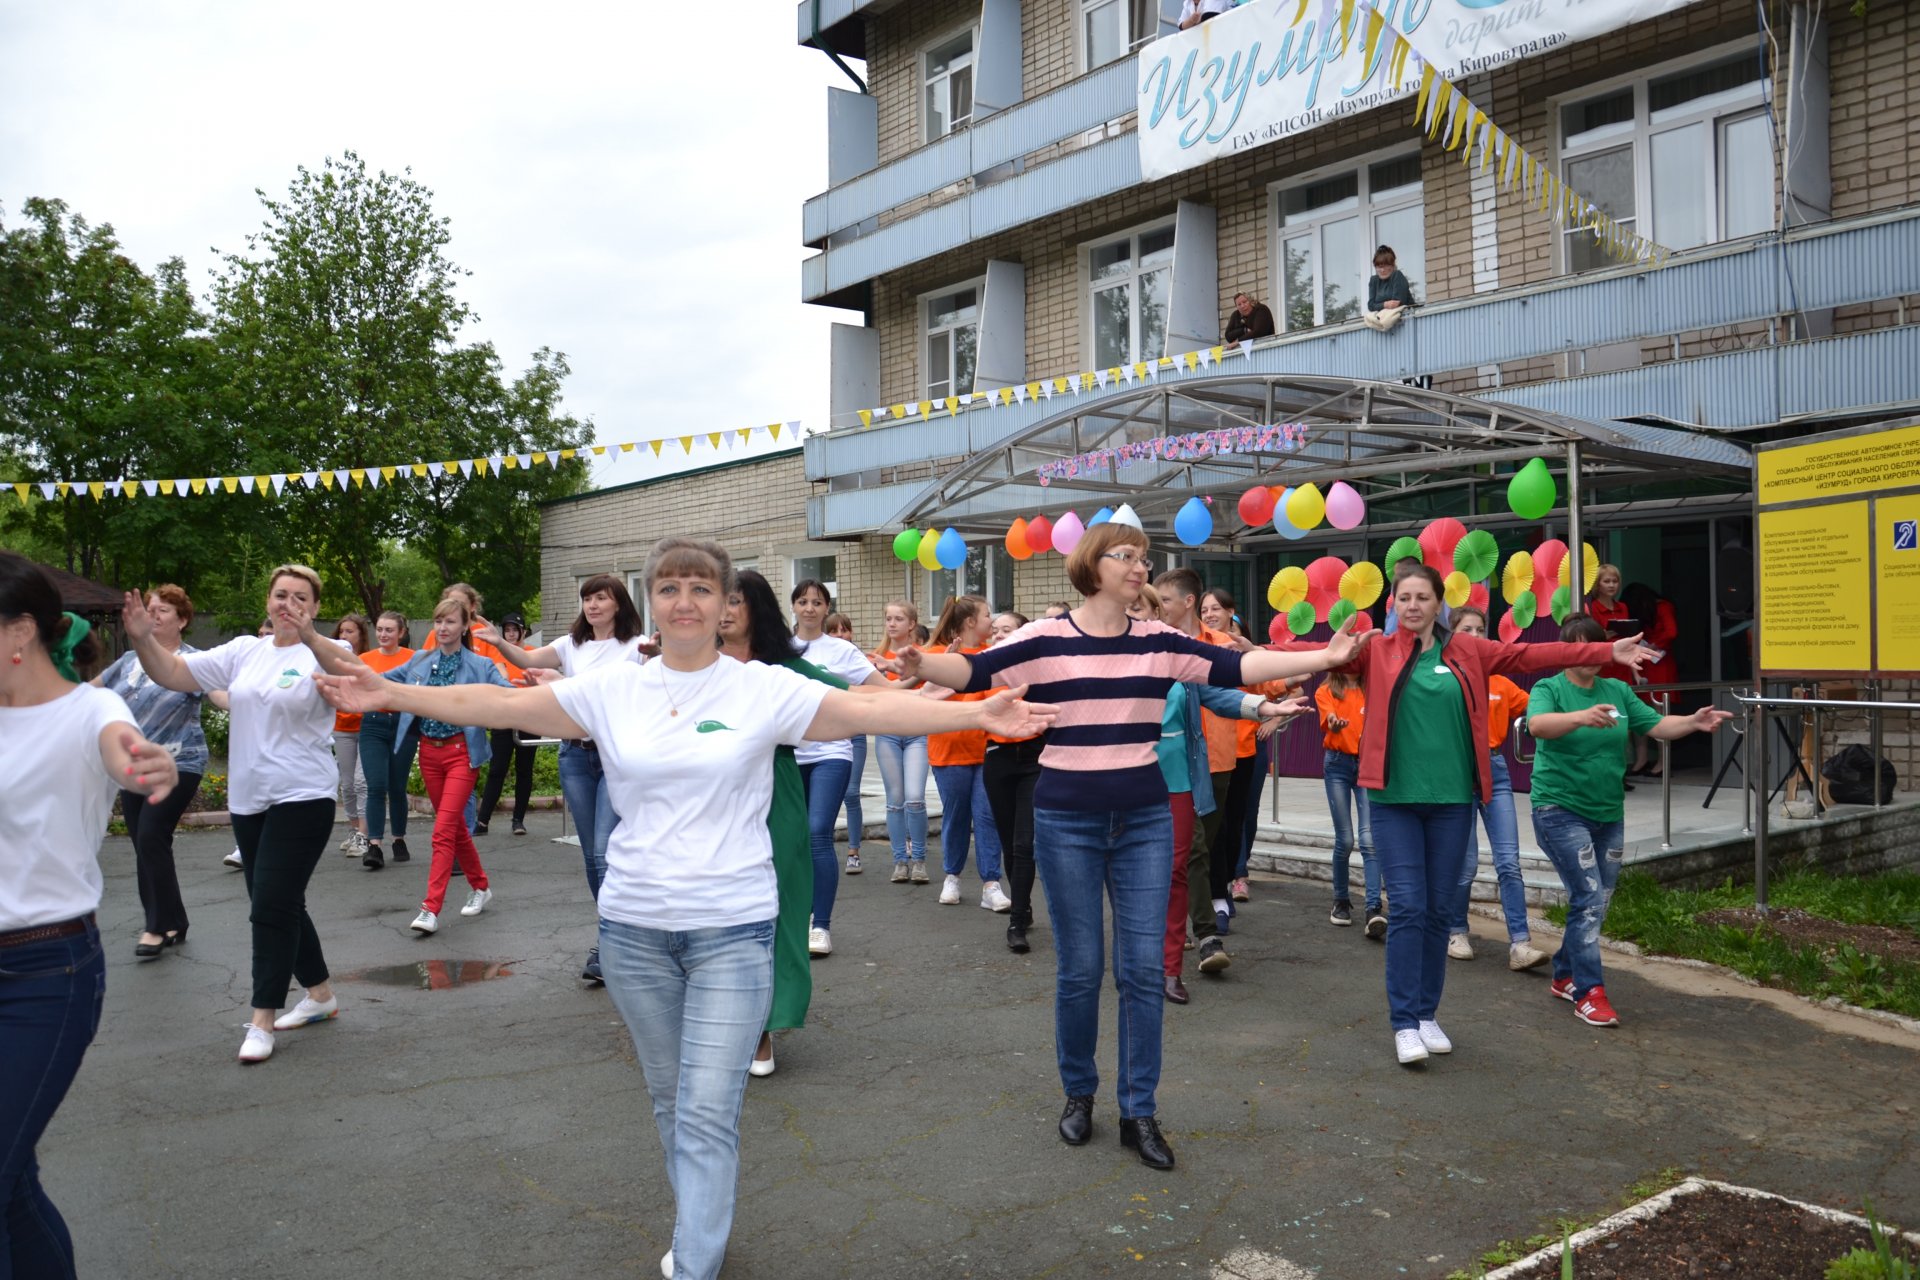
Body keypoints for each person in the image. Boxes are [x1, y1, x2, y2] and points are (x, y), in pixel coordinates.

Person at [310, 536, 1056, 1280]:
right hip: (634, 932)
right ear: (653, 604)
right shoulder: (613, 689)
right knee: (671, 1101)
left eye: (702, 588)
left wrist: (978, 713)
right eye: (670, 588)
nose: (686, 601)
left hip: (733, 928)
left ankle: (696, 1259)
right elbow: (498, 700)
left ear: (726, 603)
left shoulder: (760, 688)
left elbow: (865, 710)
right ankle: (698, 1219)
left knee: (704, 1106)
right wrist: (393, 692)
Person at [890, 522, 1365, 1170]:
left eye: (1144, 557)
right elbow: (974, 666)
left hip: (1142, 820)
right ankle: (1079, 1094)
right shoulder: (1048, 636)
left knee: (1141, 972)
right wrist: (922, 662)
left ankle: (1139, 1111)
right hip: (1067, 824)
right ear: (1092, 565)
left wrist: (1323, 657)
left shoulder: (1163, 642)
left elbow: (1238, 665)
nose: (1140, 566)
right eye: (1126, 555)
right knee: (1081, 969)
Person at [1341, 564, 1652, 1066]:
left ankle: (1425, 1016)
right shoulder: (1377, 651)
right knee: (1410, 909)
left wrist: (1603, 651)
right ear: (1393, 604)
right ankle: (1403, 1023)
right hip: (1394, 801)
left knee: (1441, 911)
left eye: (1423, 597)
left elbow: (1532, 653)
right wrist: (1248, 654)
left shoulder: (1467, 650)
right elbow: (1315, 656)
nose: (1413, 605)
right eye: (1404, 598)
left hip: (1452, 803)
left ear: (1439, 604)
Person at [2, 552, 178, 1277]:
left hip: (47, 973)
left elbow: (126, 751)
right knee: (10, 1184)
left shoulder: (92, 708)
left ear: (18, 631)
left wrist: (149, 766)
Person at [121, 565, 355, 1063]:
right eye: (280, 594)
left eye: (299, 597)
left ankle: (261, 1019)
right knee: (279, 902)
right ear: (268, 601)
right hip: (250, 798)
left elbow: (354, 675)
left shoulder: (326, 651)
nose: (287, 603)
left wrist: (312, 636)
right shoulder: (245, 651)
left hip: (304, 794)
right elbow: (174, 673)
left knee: (269, 905)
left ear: (314, 606)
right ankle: (320, 995)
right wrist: (143, 639)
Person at [1526, 616, 1731, 1027]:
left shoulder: (1617, 690)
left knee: (1597, 900)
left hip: (1607, 813)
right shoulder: (1549, 689)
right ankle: (1589, 992)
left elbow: (1655, 725)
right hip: (1558, 809)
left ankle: (1565, 974)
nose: (1590, 656)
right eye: (1580, 648)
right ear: (1567, 651)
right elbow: (1538, 726)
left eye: (1595, 646)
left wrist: (1692, 722)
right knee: (1587, 897)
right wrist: (1581, 716)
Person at [720, 571, 858, 1077]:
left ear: (756, 608)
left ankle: (761, 1024)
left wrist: (929, 693)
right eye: (720, 601)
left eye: (735, 601)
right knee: (718, 909)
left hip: (774, 792)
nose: (725, 610)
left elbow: (854, 697)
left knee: (773, 905)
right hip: (711, 799)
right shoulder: (694, 664)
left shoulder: (782, 667)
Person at [477, 573, 645, 983]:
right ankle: (614, 939)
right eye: (587, 599)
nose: (592, 606)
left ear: (618, 604)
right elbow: (530, 661)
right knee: (591, 856)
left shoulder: (637, 647)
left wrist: (564, 684)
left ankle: (614, 944)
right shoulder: (572, 645)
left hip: (616, 759)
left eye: (601, 598)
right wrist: (500, 642)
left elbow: (626, 695)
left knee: (606, 853)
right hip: (575, 755)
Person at [312, 597, 512, 935]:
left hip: (463, 754)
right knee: (454, 828)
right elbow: (378, 680)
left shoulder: (479, 665)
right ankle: (480, 887)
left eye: (450, 622)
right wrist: (334, 677)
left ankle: (430, 908)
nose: (443, 628)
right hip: (430, 755)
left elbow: (510, 698)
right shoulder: (420, 661)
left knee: (443, 830)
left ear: (464, 626)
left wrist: (538, 686)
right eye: (438, 621)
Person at [1146, 586, 1300, 1005]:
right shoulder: (1108, 659)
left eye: (1147, 610)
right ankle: (1152, 952)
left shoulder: (1178, 658)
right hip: (1127, 781)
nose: (1142, 619)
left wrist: (1267, 707)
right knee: (1140, 872)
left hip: (1185, 775)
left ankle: (1173, 964)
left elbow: (1220, 691)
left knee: (1188, 859)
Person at [92, 583, 221, 957]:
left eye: (163, 611)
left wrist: (244, 704)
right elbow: (90, 692)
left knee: (150, 835)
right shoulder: (129, 661)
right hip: (134, 766)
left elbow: (219, 695)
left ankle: (155, 928)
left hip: (181, 763)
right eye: (150, 609)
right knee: (145, 844)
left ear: (182, 621)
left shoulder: (195, 661)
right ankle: (172, 919)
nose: (153, 615)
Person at [790, 579, 891, 955]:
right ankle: (796, 916)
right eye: (803, 601)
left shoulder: (841, 650)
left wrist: (916, 683)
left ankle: (821, 925)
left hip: (832, 753)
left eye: (818, 602)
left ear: (827, 608)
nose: (810, 608)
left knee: (817, 833)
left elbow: (880, 687)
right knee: (792, 840)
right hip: (789, 755)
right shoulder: (779, 648)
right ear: (794, 607)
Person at [1444, 606, 1548, 971]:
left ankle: (1520, 944)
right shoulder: (1445, 679)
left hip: (1496, 771)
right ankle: (1455, 931)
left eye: (1480, 629)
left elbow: (1539, 711)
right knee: (1465, 864)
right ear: (1452, 636)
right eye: (1466, 629)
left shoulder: (1501, 682)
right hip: (1456, 774)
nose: (1474, 635)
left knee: (1509, 861)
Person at [924, 595, 1011, 913]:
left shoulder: (992, 656)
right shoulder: (939, 654)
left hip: (987, 751)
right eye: (988, 615)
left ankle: (991, 884)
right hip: (948, 751)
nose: (993, 620)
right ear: (972, 622)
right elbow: (925, 698)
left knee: (987, 817)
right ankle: (952, 877)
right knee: (956, 816)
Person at [982, 610, 1043, 953]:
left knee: (1024, 844)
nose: (999, 635)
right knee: (1009, 843)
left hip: (1035, 759)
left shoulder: (1040, 670)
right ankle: (1025, 905)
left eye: (1007, 630)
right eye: (995, 630)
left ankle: (1016, 919)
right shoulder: (985, 670)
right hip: (998, 759)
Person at [868, 600, 931, 883]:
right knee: (895, 801)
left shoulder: (921, 656)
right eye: (888, 618)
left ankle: (918, 860)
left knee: (915, 798)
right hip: (888, 734)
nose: (891, 624)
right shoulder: (876, 657)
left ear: (911, 624)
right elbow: (879, 695)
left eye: (898, 619)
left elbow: (931, 688)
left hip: (918, 731)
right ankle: (899, 861)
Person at [1314, 666, 1379, 934]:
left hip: (1367, 766)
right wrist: (1333, 722)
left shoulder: (1373, 689)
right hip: (1338, 764)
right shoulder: (1325, 690)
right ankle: (1340, 900)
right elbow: (1328, 717)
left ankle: (1373, 909)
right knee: (1346, 839)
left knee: (1369, 840)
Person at [357, 610, 416, 870]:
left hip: (404, 724)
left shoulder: (413, 659)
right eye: (379, 629)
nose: (383, 634)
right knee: (376, 785)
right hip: (373, 724)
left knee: (397, 786)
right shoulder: (364, 660)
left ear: (401, 633)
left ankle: (399, 839)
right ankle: (374, 846)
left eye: (389, 630)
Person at [220, 614, 279, 872]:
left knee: (272, 803)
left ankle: (267, 850)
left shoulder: (290, 662)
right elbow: (225, 695)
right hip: (249, 748)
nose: (263, 639)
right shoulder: (247, 663)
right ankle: (243, 849)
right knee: (250, 800)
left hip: (278, 749)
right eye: (261, 634)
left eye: (269, 634)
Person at [476, 613, 539, 837]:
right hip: (504, 716)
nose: (511, 634)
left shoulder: (532, 654)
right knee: (497, 769)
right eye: (507, 630)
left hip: (529, 717)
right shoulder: (498, 653)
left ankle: (518, 820)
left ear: (523, 632)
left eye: (515, 630)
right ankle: (482, 821)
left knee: (525, 770)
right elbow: (497, 677)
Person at [823, 611, 867, 873]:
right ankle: (821, 847)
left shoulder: (856, 659)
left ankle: (853, 851)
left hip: (854, 732)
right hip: (826, 732)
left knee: (851, 793)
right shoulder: (819, 659)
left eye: (845, 630)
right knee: (825, 797)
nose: (841, 635)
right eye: (834, 631)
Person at [1622, 582, 1680, 778]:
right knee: (1641, 714)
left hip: (1658, 663)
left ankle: (1662, 763)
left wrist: (1654, 645)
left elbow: (1671, 632)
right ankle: (1642, 760)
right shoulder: (1655, 609)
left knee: (1658, 713)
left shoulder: (1663, 607)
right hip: (1648, 661)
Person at [330, 614, 373, 858]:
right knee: (346, 784)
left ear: (361, 635)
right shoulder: (331, 662)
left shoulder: (367, 662)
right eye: (341, 632)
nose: (344, 636)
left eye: (350, 632)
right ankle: (355, 830)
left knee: (361, 781)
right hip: (341, 728)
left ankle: (364, 835)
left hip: (365, 727)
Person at [1363, 245, 1415, 331]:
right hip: (1383, 327)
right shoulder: (1374, 281)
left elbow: (1396, 303)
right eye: (1379, 267)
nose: (1382, 270)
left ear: (1393, 265)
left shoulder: (1397, 275)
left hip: (1406, 324)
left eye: (1386, 266)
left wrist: (1378, 305)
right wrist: (1385, 304)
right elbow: (1371, 305)